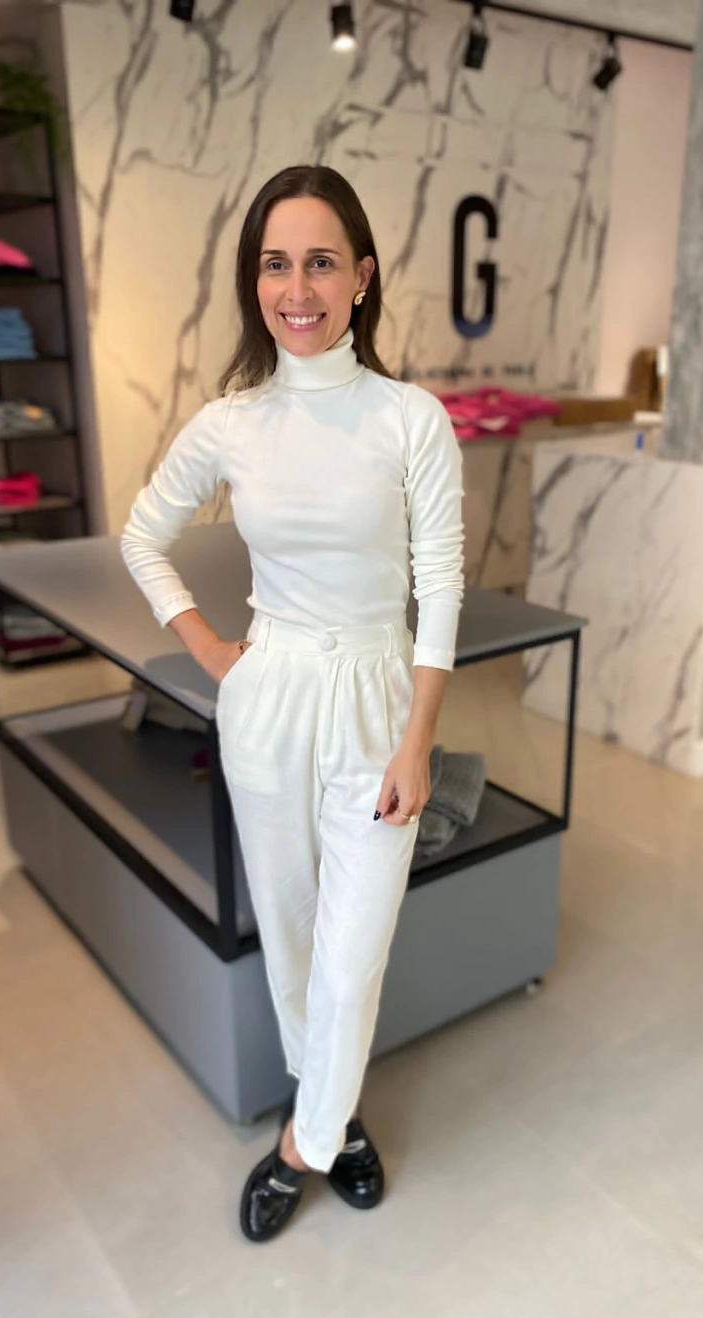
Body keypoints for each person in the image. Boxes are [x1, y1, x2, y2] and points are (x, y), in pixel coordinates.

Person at [120, 166, 464, 1243]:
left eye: (320, 262)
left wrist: (419, 738)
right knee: (295, 940)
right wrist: (213, 653)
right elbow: (142, 537)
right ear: (254, 281)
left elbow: (441, 584)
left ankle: (298, 1146)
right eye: (276, 264)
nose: (297, 288)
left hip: (376, 700)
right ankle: (339, 1122)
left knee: (354, 957)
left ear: (362, 276)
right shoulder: (234, 422)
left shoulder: (410, 418)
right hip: (266, 699)